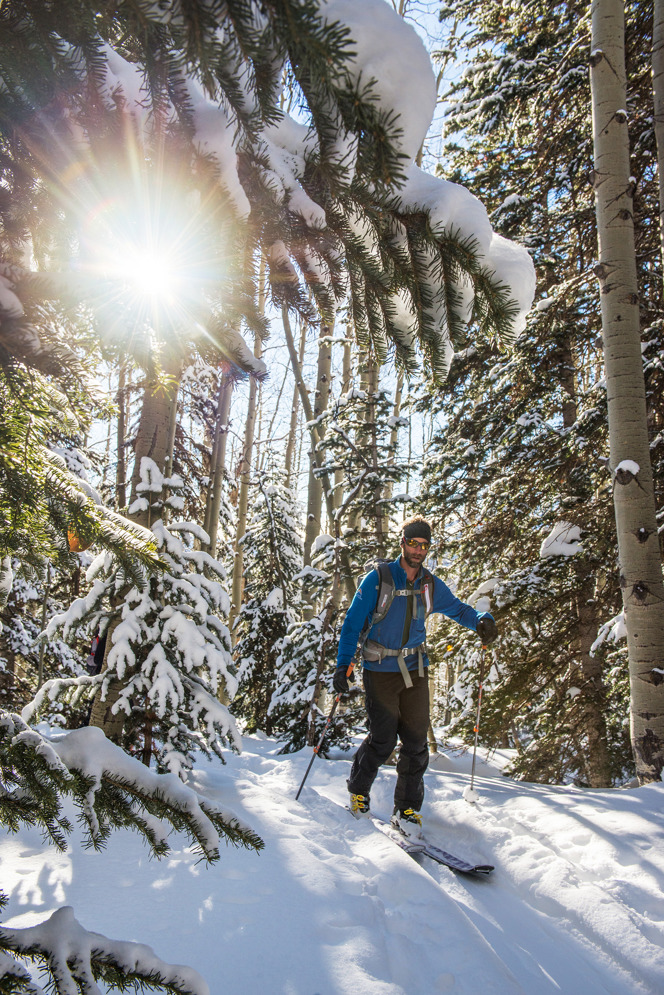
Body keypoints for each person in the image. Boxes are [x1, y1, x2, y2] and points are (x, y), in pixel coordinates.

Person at [333, 515, 497, 836]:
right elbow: (352, 623)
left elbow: (459, 609)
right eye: (413, 543)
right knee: (383, 740)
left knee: (416, 742)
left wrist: (481, 619)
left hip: (416, 670)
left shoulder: (429, 585)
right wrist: (343, 665)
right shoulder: (379, 579)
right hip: (380, 669)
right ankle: (358, 790)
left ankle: (406, 810)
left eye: (424, 545)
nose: (418, 550)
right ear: (402, 543)